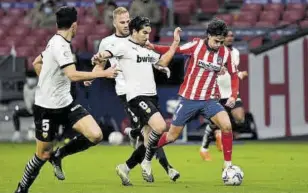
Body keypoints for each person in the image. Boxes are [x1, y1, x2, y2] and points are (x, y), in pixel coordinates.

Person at [14, 6, 119, 193]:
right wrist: (104, 72)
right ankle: (22, 189)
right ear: (75, 26)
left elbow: (36, 62)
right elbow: (71, 75)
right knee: (42, 155)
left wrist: (46, 82)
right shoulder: (61, 46)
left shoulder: (55, 41)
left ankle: (60, 154)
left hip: (66, 103)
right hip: (46, 109)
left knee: (95, 135)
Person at [85, 7, 180, 185]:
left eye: (128, 21)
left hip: (151, 95)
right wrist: (96, 63)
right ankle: (150, 162)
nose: (147, 36)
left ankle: (127, 166)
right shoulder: (119, 45)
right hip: (133, 95)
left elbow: (161, 61)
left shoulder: (144, 46)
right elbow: (104, 56)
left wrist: (174, 45)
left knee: (149, 136)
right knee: (158, 128)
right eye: (144, 32)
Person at [145, 19, 239, 175]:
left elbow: (234, 75)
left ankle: (227, 165)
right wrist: (152, 46)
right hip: (189, 99)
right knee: (172, 136)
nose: (218, 45)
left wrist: (233, 95)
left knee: (227, 125)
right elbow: (174, 50)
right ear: (208, 36)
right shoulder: (195, 46)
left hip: (209, 100)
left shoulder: (225, 53)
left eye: (221, 42)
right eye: (216, 41)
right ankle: (148, 150)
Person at [199, 29, 248, 161]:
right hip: (217, 91)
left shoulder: (236, 52)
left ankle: (220, 133)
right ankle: (204, 149)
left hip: (231, 91)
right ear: (222, 38)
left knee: (239, 117)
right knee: (214, 123)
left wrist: (239, 74)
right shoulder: (215, 52)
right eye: (228, 36)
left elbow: (232, 71)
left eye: (232, 36)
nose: (230, 38)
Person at [11, 72, 37, 142]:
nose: (32, 80)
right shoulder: (25, 87)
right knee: (15, 113)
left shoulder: (38, 87)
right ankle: (17, 133)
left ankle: (35, 129)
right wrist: (29, 108)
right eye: (30, 78)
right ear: (27, 79)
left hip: (38, 110)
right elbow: (26, 98)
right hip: (28, 109)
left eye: (33, 78)